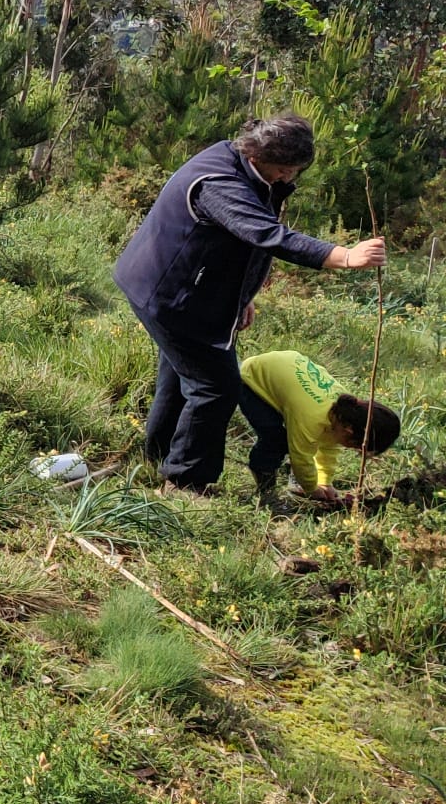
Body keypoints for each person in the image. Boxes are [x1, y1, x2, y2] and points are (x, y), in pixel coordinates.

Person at [112, 114, 386, 492]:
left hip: (178, 288)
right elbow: (265, 233)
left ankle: (158, 459)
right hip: (173, 296)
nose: (288, 178)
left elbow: (235, 245)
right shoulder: (219, 183)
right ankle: (185, 482)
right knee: (215, 388)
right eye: (285, 169)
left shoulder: (240, 164)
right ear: (258, 155)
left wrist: (241, 297)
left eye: (295, 171)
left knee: (180, 377)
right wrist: (342, 255)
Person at [239, 350, 399, 508]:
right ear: (349, 431)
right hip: (254, 379)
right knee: (275, 440)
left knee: (294, 438)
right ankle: (266, 491)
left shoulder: (346, 412)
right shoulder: (311, 416)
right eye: (355, 446)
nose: (350, 448)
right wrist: (311, 489)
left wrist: (324, 482)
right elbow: (300, 456)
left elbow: (329, 449)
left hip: (286, 375)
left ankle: (294, 481)